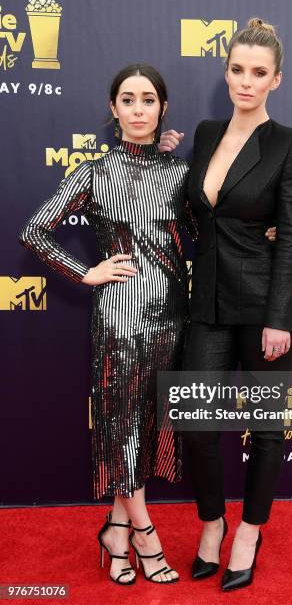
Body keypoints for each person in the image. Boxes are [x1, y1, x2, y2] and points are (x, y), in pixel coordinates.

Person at [18, 64, 192, 586]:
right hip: (118, 318)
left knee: (144, 425)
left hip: (172, 318)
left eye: (148, 100)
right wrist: (85, 272)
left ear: (162, 109)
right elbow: (35, 231)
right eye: (128, 100)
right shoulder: (95, 172)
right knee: (122, 427)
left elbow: (211, 232)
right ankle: (144, 533)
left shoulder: (180, 173)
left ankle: (115, 530)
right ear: (113, 110)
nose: (138, 109)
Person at [160, 17, 292, 591]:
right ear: (226, 72)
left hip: (266, 306)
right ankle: (211, 522)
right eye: (237, 70)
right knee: (198, 424)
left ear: (276, 79)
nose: (245, 82)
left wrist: (277, 318)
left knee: (266, 429)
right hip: (209, 303)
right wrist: (170, 152)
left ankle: (249, 531)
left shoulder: (290, 143)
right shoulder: (203, 133)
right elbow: (199, 205)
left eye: (258, 73)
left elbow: (291, 235)